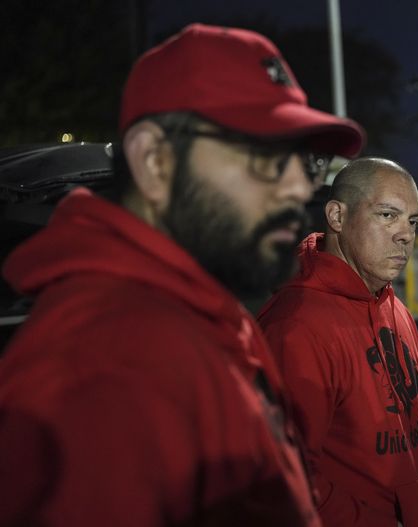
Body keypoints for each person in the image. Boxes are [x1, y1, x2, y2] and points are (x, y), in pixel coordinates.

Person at [0, 23, 364, 526]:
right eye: (264, 158)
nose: (298, 189)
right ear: (154, 160)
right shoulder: (102, 367)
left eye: (306, 163)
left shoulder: (200, 312)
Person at [256, 157, 418, 527]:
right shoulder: (294, 327)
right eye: (387, 215)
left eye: (413, 221)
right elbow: (285, 475)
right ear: (336, 216)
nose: (406, 234)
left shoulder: (396, 309)